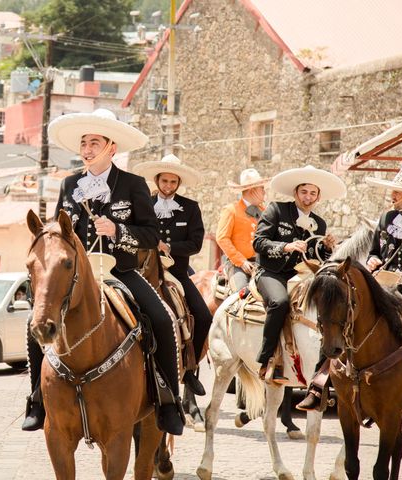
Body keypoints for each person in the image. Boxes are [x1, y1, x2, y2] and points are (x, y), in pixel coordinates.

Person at [22, 108, 185, 435]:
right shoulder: (69, 185)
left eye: (94, 142)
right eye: (84, 142)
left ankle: (169, 402)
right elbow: (58, 232)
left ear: (112, 147)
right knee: (35, 321)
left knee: (163, 318)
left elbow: (151, 235)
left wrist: (117, 230)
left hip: (120, 272)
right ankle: (37, 399)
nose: (87, 148)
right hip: (76, 277)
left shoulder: (133, 185)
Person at [253, 165, 345, 392]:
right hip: (270, 272)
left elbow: (317, 258)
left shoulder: (320, 223)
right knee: (279, 302)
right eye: (304, 192)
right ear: (296, 193)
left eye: (313, 193)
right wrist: (286, 246)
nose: (308, 197)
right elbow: (258, 243)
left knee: (332, 302)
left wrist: (327, 248)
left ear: (318, 196)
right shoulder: (276, 210)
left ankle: (326, 362)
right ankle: (266, 359)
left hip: (301, 276)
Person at [132, 153, 212, 396]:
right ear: (157, 180)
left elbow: (196, 243)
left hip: (177, 271)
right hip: (141, 271)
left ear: (179, 183)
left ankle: (189, 369)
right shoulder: (142, 203)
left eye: (173, 182)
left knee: (204, 316)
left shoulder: (190, 208)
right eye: (164, 181)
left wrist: (169, 248)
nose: (168, 186)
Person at [216, 168, 270, 291]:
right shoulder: (231, 210)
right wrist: (241, 261)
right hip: (237, 265)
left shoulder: (264, 212)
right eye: (262, 189)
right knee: (242, 293)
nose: (264, 192)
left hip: (262, 265)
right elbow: (222, 238)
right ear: (252, 190)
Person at [365, 159, 402, 301]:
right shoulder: (386, 218)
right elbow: (374, 253)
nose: (392, 196)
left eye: (397, 191)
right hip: (383, 291)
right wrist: (372, 260)